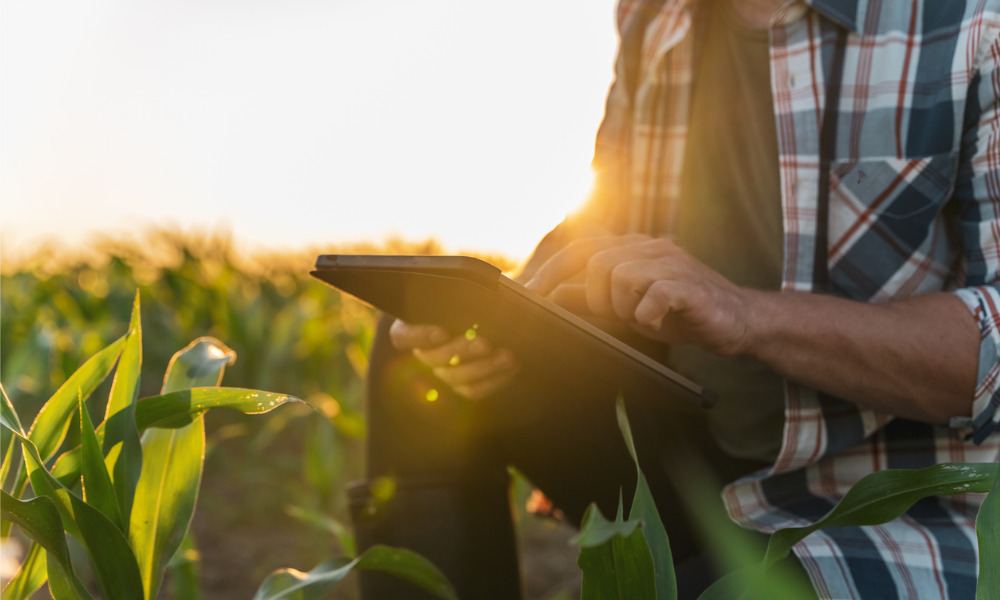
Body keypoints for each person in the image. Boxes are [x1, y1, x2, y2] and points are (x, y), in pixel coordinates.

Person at [348, 0, 1000, 598]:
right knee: (413, 354)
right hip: (687, 450)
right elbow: (608, 212)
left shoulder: (974, 27)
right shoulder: (654, 14)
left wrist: (749, 316)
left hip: (884, 504)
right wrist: (513, 309)